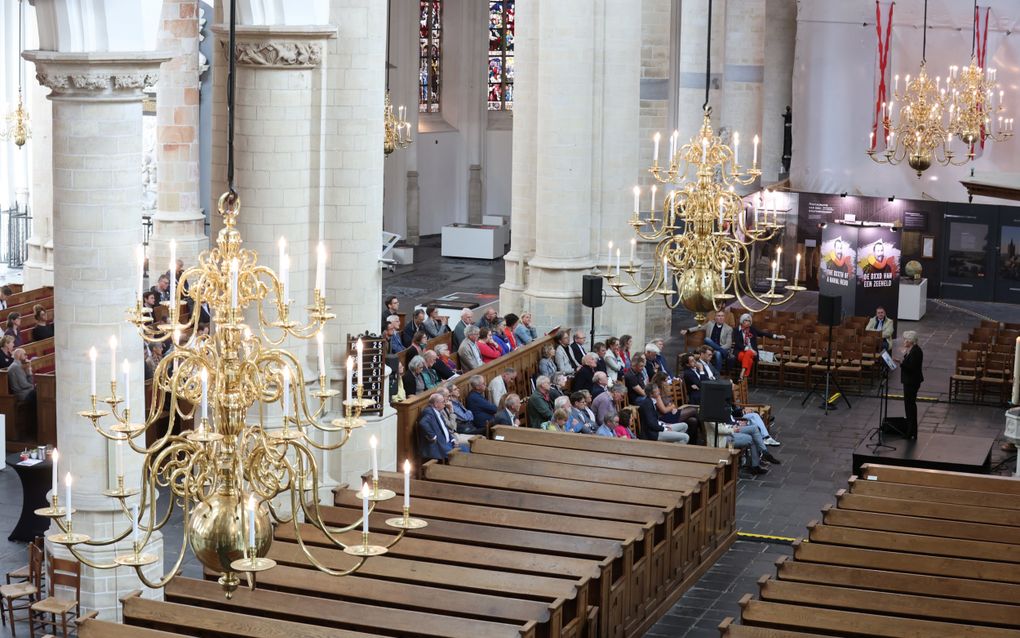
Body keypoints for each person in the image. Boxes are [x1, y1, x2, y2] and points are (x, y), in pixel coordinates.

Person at [732, 313, 786, 380]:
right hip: (740, 352)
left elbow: (764, 333)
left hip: (752, 353)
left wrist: (777, 336)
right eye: (746, 320)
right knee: (750, 360)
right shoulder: (736, 330)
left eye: (749, 321)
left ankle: (742, 374)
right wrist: (749, 349)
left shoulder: (752, 329)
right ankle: (744, 376)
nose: (748, 322)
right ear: (742, 321)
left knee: (749, 354)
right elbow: (738, 343)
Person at [900, 330, 924, 440]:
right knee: (909, 407)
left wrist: (901, 363)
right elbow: (910, 363)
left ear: (910, 341)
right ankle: (911, 431)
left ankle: (911, 432)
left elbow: (910, 368)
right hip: (910, 381)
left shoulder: (916, 351)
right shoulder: (913, 350)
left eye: (905, 339)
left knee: (910, 407)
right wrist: (905, 355)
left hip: (911, 382)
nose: (904, 341)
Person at [418, 393, 456, 461]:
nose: (445, 403)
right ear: (435, 404)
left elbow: (445, 428)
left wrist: (452, 439)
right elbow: (423, 423)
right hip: (440, 446)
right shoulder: (429, 412)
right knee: (463, 454)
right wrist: (433, 436)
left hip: (448, 443)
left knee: (465, 449)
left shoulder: (438, 412)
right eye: (443, 402)